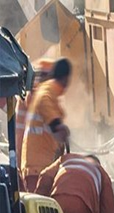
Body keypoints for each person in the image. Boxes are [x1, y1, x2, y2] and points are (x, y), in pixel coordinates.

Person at [20, 57, 71, 192]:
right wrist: (57, 125)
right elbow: (44, 100)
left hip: (36, 166)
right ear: (65, 78)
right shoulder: (48, 90)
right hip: (38, 168)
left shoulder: (48, 92)